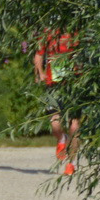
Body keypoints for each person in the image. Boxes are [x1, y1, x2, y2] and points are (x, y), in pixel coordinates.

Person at [33, 28, 79, 175]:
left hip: (74, 85)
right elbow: (39, 54)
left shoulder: (77, 33)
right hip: (54, 85)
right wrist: (39, 72)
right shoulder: (49, 32)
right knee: (55, 124)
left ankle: (71, 163)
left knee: (74, 126)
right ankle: (62, 138)